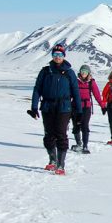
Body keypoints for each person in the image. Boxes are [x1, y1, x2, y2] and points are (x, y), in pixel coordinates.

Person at [29, 44, 82, 175]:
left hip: (64, 108)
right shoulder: (45, 71)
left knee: (61, 134)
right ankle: (52, 160)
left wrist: (79, 111)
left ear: (64, 56)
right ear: (52, 56)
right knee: (48, 135)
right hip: (47, 107)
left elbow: (76, 93)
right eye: (55, 55)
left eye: (60, 55)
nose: (57, 57)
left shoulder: (69, 73)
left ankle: (61, 164)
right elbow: (37, 89)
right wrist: (34, 107)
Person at [71, 64, 105, 154]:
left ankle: (85, 146)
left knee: (85, 126)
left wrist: (102, 106)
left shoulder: (91, 82)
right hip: (75, 107)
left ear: (88, 73)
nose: (83, 73)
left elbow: (97, 94)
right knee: (76, 126)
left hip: (86, 107)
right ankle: (79, 143)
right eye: (82, 71)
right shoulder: (75, 81)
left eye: (85, 72)